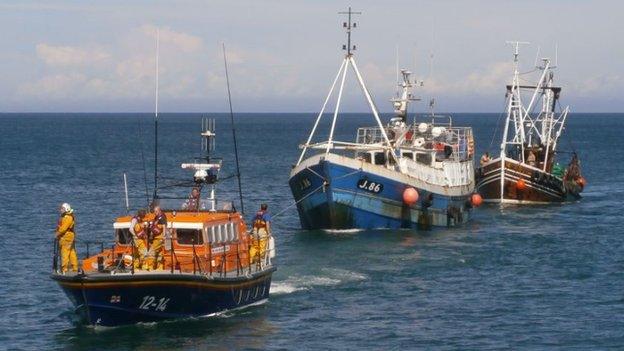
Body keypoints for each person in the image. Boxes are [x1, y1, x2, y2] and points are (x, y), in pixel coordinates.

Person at [55, 203, 78, 273]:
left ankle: (64, 269)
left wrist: (57, 234)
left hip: (66, 237)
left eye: (62, 208)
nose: (61, 210)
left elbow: (63, 228)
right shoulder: (68, 216)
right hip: (69, 236)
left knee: (64, 252)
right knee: (71, 252)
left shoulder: (67, 217)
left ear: (66, 209)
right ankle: (75, 267)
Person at [145, 206, 167, 270]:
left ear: (159, 210)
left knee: (151, 252)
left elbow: (164, 226)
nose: (155, 213)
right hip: (156, 238)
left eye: (156, 211)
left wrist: (164, 235)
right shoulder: (156, 217)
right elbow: (153, 224)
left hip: (159, 238)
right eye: (154, 211)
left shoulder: (162, 217)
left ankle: (150, 267)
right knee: (159, 253)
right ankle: (159, 267)